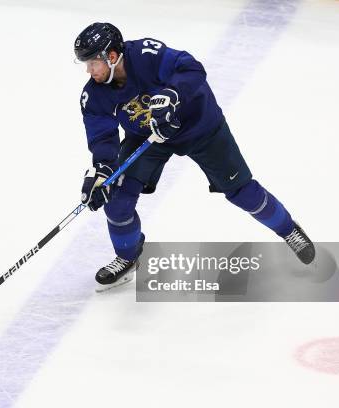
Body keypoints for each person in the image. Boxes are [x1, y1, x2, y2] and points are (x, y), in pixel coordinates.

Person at [75, 22, 315, 290]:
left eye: (92, 62)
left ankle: (288, 229)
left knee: (242, 191)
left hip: (201, 127)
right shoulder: (93, 95)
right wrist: (103, 170)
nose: (88, 70)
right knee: (117, 198)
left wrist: (171, 95)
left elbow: (191, 68)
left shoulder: (145, 54)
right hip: (148, 137)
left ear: (111, 56)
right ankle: (127, 257)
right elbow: (102, 137)